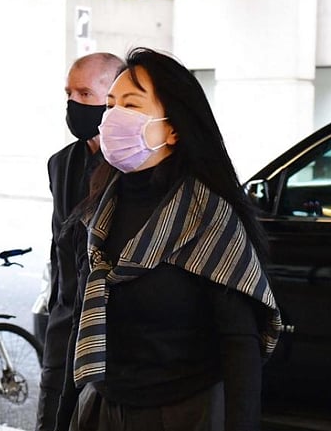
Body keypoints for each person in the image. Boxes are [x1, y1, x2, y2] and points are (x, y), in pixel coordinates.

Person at [65, 47, 282, 431]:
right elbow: (81, 322)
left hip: (183, 413)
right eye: (111, 105)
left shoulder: (208, 216)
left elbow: (239, 343)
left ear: (173, 127)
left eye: (131, 105)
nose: (113, 118)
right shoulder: (99, 211)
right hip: (103, 408)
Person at [37, 52, 124, 431]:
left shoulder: (133, 165)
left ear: (113, 98)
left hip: (112, 337)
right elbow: (60, 246)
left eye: (85, 94)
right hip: (63, 325)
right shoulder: (61, 163)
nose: (73, 103)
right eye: (69, 93)